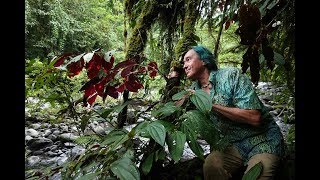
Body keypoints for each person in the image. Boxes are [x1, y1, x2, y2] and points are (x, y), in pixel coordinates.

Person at [182, 45, 284, 180]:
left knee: (256, 176)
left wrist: (210, 105)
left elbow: (254, 117)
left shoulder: (230, 76)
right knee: (211, 166)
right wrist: (174, 78)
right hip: (232, 145)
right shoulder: (193, 91)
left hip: (263, 140)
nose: (184, 65)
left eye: (188, 60)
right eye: (183, 62)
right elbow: (175, 112)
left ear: (204, 61)